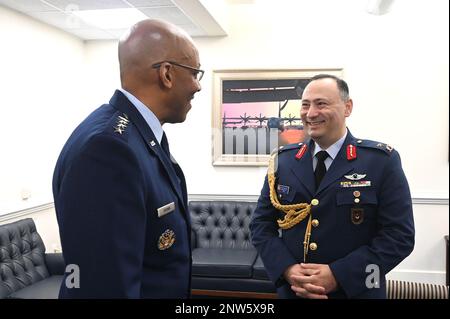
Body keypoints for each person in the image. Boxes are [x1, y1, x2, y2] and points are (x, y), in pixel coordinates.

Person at [52, 19, 203, 298]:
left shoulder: (138, 135)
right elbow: (104, 288)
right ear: (167, 74)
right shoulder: (108, 149)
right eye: (195, 73)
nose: (197, 86)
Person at [250, 74, 414, 299]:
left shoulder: (381, 161)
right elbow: (260, 225)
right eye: (305, 105)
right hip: (295, 292)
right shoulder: (284, 161)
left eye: (321, 104)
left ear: (347, 107)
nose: (310, 113)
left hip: (356, 292)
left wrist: (339, 275)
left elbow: (399, 236)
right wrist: (287, 269)